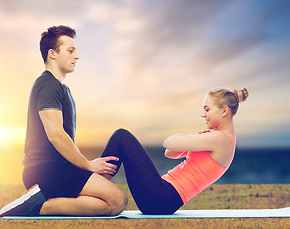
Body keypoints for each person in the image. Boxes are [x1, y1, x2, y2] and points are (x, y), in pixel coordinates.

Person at [0, 25, 127, 217]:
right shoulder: (48, 84)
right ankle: (36, 206)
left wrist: (86, 164)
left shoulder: (62, 88)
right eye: (70, 50)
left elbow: (65, 139)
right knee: (117, 200)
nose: (77, 56)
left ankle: (42, 201)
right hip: (46, 170)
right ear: (53, 54)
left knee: (111, 197)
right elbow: (56, 135)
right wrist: (87, 165)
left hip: (59, 168)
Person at [100, 87, 249, 214]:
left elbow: (169, 142)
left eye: (207, 109)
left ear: (224, 111)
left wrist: (194, 136)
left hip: (161, 197)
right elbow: (170, 153)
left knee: (121, 136)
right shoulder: (218, 140)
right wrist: (197, 138)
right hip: (163, 197)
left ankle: (93, 185)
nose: (203, 114)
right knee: (122, 137)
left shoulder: (221, 140)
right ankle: (95, 185)